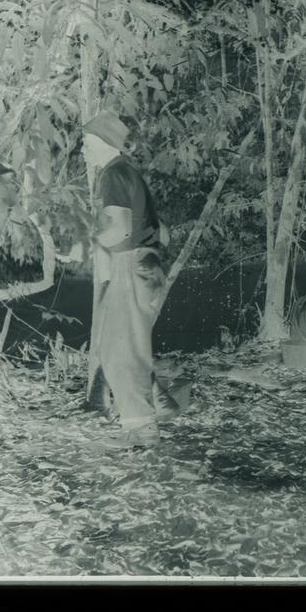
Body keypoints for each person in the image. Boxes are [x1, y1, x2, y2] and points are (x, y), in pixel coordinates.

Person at [82, 113, 181, 448]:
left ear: (101, 142)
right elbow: (161, 232)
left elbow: (119, 230)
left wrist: (83, 238)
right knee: (121, 347)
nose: (82, 149)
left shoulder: (112, 175)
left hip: (133, 264)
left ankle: (143, 432)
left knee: (121, 352)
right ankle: (159, 405)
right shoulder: (125, 173)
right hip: (143, 265)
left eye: (86, 142)